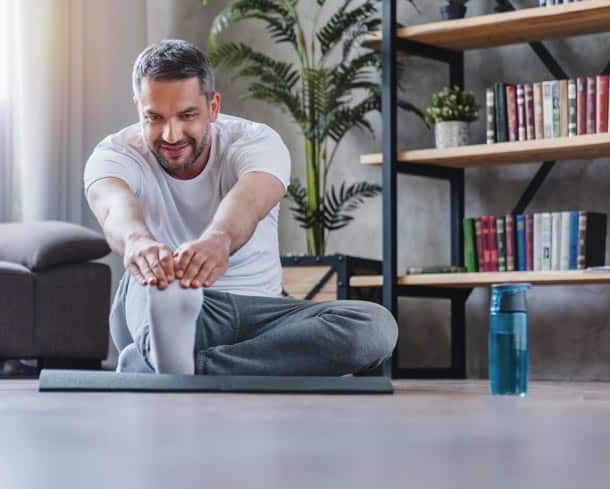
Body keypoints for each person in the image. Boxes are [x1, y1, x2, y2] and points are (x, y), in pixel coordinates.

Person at [84, 39, 397, 376]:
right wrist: (137, 243)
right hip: (161, 297)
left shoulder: (256, 142)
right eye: (155, 118)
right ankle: (175, 354)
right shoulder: (116, 153)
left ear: (213, 106)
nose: (171, 134)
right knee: (150, 286)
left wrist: (218, 240)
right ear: (138, 109)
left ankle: (172, 369)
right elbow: (116, 207)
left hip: (257, 314)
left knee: (374, 326)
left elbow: (248, 200)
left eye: (187, 115)